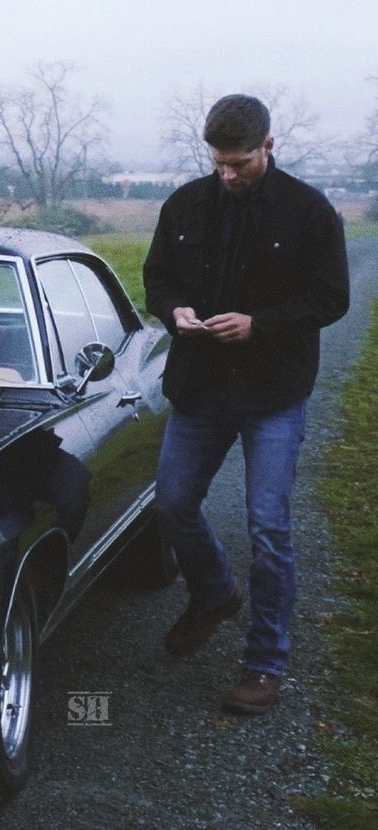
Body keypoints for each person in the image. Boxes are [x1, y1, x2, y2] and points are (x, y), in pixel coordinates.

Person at [143, 94, 349, 714]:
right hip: (200, 385)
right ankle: (214, 594)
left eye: (240, 162)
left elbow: (331, 299)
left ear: (268, 146)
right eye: (219, 163)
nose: (227, 174)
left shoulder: (311, 212)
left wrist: (260, 324)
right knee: (173, 505)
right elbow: (158, 277)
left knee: (269, 525)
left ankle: (263, 663)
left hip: (273, 392)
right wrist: (172, 309)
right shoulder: (183, 203)